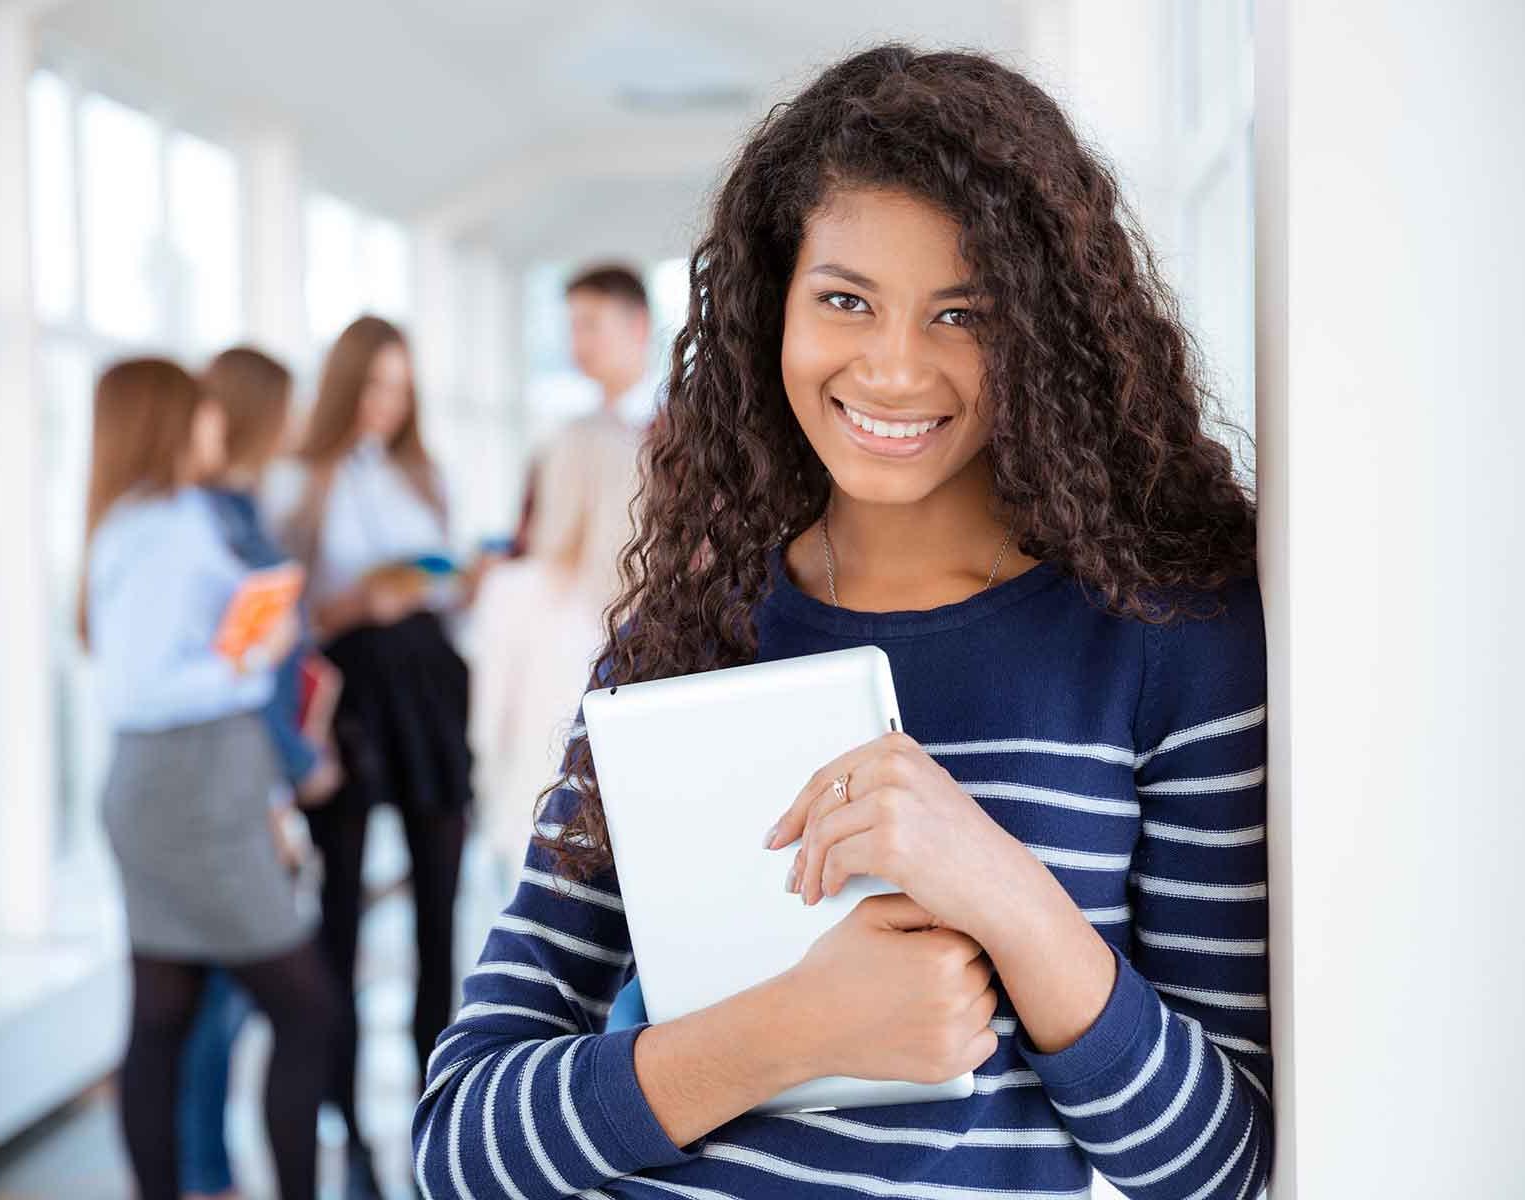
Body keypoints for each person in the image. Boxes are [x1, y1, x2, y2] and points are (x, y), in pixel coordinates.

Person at [414, 44, 1270, 1199]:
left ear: (1044, 330)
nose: (895, 369)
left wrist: (1008, 895)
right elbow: (459, 1143)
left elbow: (1218, 1165)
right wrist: (785, 1034)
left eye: (961, 313)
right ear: (776, 307)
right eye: (846, 300)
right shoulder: (685, 634)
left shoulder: (1169, 635)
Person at [81, 359, 331, 1200]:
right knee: (305, 1010)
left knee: (164, 1014)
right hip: (186, 786)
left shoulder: (133, 522)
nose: (216, 429)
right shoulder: (161, 526)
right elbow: (142, 686)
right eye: (201, 416)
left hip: (170, 785)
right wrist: (250, 663)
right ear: (169, 425)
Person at [273, 315, 471, 1200]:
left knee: (440, 910)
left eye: (401, 387)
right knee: (340, 920)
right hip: (353, 702)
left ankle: (438, 1103)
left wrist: (452, 580)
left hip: (428, 694)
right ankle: (345, 1123)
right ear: (345, 385)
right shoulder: (301, 486)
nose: (387, 405)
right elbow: (288, 626)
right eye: (373, 386)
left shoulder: (422, 477)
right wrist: (355, 604)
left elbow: (449, 590)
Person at [172, 346, 333, 1200]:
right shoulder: (220, 523)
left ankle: (209, 1174)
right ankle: (209, 1177)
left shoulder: (227, 512)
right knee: (229, 1004)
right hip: (238, 788)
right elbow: (247, 672)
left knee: (210, 1002)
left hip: (232, 784)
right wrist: (293, 769)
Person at [463, 421, 641, 936]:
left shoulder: (510, 591)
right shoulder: (648, 604)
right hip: (620, 839)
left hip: (525, 825)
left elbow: (484, 730)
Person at [565, 263, 663, 430]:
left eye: (590, 325)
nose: (578, 343)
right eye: (574, 328)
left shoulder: (685, 430)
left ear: (639, 326)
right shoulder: (572, 432)